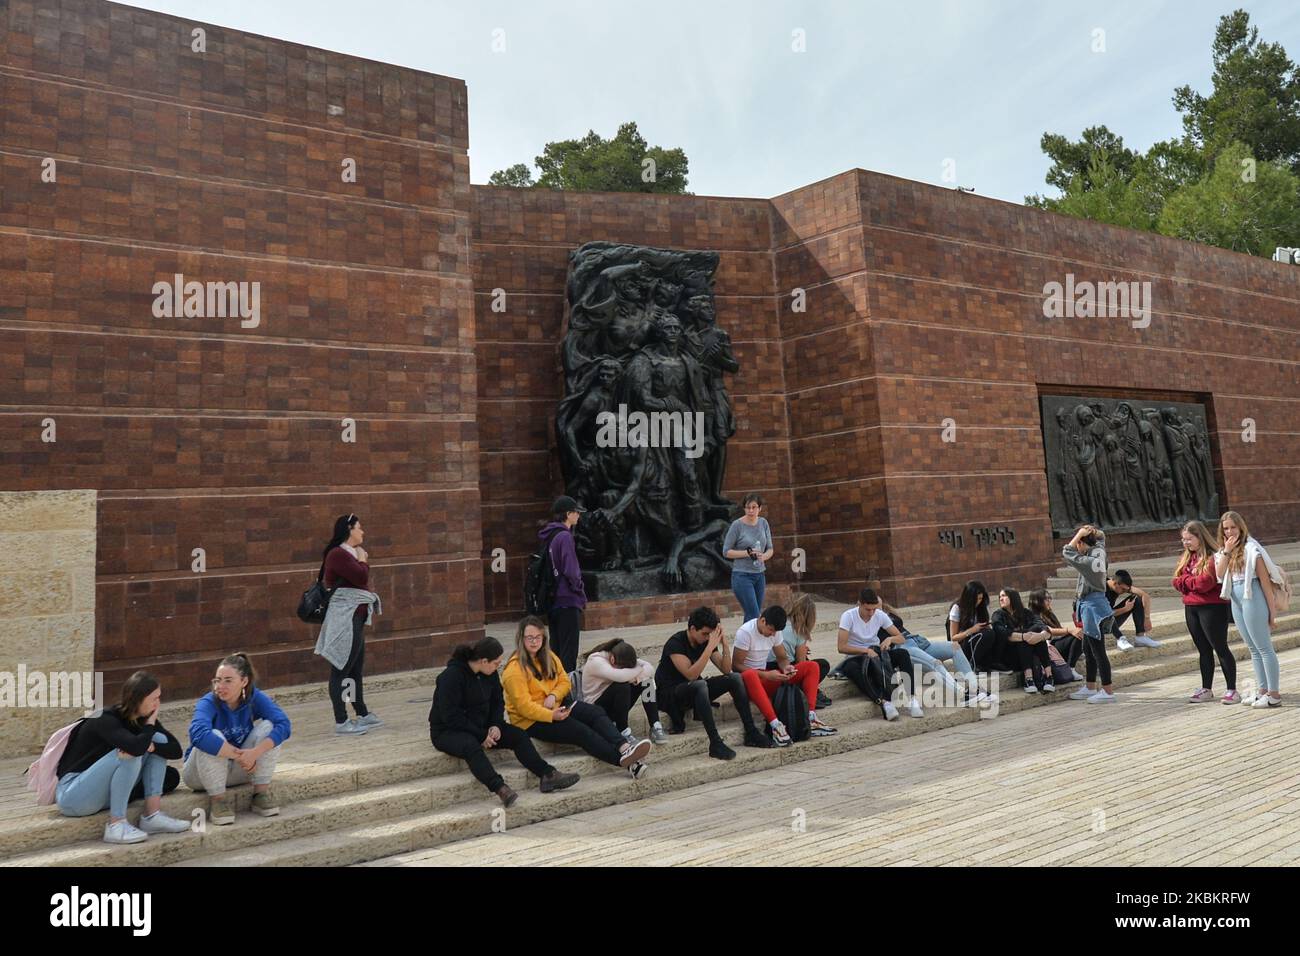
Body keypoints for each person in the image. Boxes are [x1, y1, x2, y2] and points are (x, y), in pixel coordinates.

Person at [430, 636, 579, 806]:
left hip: (483, 726)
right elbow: (451, 716)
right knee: (470, 746)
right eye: (496, 663)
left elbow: (497, 702)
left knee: (518, 735)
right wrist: (480, 735)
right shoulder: (451, 677)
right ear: (484, 661)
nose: (498, 667)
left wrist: (495, 724)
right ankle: (500, 788)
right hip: (448, 731)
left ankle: (548, 774)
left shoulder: (490, 674)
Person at [502, 616, 653, 777]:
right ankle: (628, 764)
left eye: (538, 637)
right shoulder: (514, 670)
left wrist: (554, 694)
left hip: (558, 705)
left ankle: (625, 747)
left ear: (543, 638)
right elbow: (524, 707)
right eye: (529, 638)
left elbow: (564, 681)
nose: (534, 641)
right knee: (581, 731)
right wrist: (551, 714)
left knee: (595, 713)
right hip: (531, 721)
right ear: (521, 639)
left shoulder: (549, 657)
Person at [54, 671, 190, 844]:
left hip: (100, 796)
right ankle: (116, 825)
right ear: (137, 698)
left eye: (159, 698)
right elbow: (134, 748)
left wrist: (152, 743)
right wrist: (149, 727)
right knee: (130, 753)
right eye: (153, 699)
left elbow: (176, 750)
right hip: (73, 796)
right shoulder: (105, 718)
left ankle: (152, 816)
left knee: (158, 741)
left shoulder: (142, 719)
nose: (158, 704)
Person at [183, 653, 292, 825]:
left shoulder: (254, 697)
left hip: (241, 770)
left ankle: (260, 794)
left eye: (228, 680)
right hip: (200, 775)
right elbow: (197, 734)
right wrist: (241, 756)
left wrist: (255, 752)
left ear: (244, 681)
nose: (220, 686)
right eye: (217, 680)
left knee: (269, 727)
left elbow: (284, 724)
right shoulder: (208, 702)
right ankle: (218, 801)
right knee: (213, 735)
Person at [655, 606, 773, 759]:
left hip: (695, 689)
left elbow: (726, 669)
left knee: (735, 678)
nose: (706, 638)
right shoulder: (675, 643)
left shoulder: (705, 641)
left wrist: (724, 645)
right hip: (671, 693)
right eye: (704, 634)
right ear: (692, 629)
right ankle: (715, 742)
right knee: (700, 684)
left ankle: (751, 732)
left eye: (709, 635)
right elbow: (691, 675)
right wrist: (710, 646)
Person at [315, 513, 382, 735]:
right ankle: (342, 721)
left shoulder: (348, 554)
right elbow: (361, 577)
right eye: (359, 528)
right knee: (341, 670)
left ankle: (361, 713)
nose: (362, 532)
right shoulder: (338, 554)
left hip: (356, 618)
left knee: (354, 670)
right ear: (349, 530)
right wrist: (363, 559)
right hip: (345, 620)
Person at [734, 605, 836, 742]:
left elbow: (782, 658)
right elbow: (736, 665)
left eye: (775, 632)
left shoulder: (775, 633)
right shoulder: (745, 632)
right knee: (750, 675)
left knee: (812, 666)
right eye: (771, 630)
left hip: (765, 677)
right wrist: (766, 675)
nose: (772, 634)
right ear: (763, 621)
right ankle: (775, 725)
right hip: (748, 681)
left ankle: (811, 717)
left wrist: (787, 668)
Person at [1214, 511, 1283, 708]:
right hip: (1235, 598)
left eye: (1233, 527)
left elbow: (1265, 582)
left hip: (1252, 594)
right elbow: (1219, 574)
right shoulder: (1223, 551)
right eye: (1226, 528)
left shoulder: (1252, 549)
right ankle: (1262, 691)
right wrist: (1227, 551)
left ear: (1241, 527)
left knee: (1264, 647)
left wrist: (1272, 612)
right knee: (1252, 648)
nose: (1229, 532)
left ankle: (1274, 693)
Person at [1174, 521, 1237, 703]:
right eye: (1183, 540)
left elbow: (1205, 583)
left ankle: (1232, 689)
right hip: (1191, 607)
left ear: (1200, 537)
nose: (1186, 543)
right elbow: (1175, 581)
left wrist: (1187, 582)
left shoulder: (1213, 556)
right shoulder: (1186, 558)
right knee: (1203, 649)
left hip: (1212, 607)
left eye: (1189, 539)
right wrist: (1188, 582)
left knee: (1220, 647)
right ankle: (1206, 688)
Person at [881, 599, 984, 709]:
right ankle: (963, 695)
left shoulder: (886, 613)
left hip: (917, 641)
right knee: (935, 663)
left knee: (955, 646)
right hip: (903, 647)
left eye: (879, 604)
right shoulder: (870, 620)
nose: (877, 609)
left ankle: (974, 687)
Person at [836, 589, 916, 721]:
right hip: (857, 656)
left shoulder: (879, 614)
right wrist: (865, 651)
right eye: (868, 609)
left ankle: (912, 699)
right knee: (851, 668)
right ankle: (884, 702)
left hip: (877, 653)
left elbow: (900, 638)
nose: (871, 613)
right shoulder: (848, 616)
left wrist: (890, 639)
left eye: (874, 609)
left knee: (903, 653)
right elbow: (841, 647)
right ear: (859, 604)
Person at [1063, 525, 1117, 703]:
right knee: (1088, 647)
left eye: (1078, 541)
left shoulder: (1087, 562)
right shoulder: (1099, 551)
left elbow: (1067, 551)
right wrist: (1091, 532)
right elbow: (1101, 537)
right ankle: (1090, 686)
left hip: (1092, 608)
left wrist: (1079, 534)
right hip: (1095, 605)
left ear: (1081, 543)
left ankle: (1108, 691)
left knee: (1098, 650)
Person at [579, 639, 669, 745]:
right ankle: (623, 732)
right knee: (622, 685)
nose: (627, 672)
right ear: (612, 659)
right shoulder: (595, 661)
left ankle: (655, 725)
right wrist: (638, 672)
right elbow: (620, 676)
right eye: (624, 669)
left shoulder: (621, 655)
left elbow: (650, 669)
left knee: (647, 681)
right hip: (596, 709)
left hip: (616, 704)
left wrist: (637, 676)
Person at [540, 496, 588, 673]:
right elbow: (571, 571)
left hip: (553, 600)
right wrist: (580, 592)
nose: (579, 516)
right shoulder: (565, 537)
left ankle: (554, 686)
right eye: (577, 512)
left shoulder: (550, 536)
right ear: (568, 514)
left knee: (557, 649)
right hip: (567, 599)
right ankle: (567, 691)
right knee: (569, 652)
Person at [768, 592, 833, 709]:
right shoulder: (799, 629)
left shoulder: (779, 622)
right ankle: (809, 693)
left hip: (769, 669)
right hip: (784, 670)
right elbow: (800, 662)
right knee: (821, 665)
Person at [945, 580, 1003, 702]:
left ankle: (981, 672)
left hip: (975, 642)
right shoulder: (957, 608)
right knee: (984, 635)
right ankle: (971, 677)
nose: (979, 602)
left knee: (993, 632)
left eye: (981, 599)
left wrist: (984, 626)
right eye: (976, 599)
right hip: (961, 646)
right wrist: (972, 630)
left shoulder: (980, 608)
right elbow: (953, 638)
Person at [991, 588, 1055, 694]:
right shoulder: (998, 615)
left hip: (1029, 654)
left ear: (1013, 598)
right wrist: (1024, 636)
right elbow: (1001, 632)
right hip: (1009, 657)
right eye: (1000, 597)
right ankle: (1028, 679)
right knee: (1023, 638)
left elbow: (1043, 627)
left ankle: (1049, 676)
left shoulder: (1026, 613)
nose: (1001, 599)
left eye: (1004, 596)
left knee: (1037, 635)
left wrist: (1040, 636)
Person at [723, 493, 773, 622]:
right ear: (744, 508)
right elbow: (726, 551)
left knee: (752, 615)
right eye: (747, 507)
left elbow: (770, 549)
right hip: (742, 575)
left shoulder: (763, 523)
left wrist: (764, 557)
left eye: (754, 507)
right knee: (754, 614)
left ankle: (745, 641)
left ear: (760, 508)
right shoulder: (737, 525)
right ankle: (747, 641)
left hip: (760, 574)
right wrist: (747, 553)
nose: (751, 510)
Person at [1027, 589, 1086, 683]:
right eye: (1046, 599)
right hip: (1047, 649)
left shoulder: (1048, 613)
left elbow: (1059, 628)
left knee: (1079, 633)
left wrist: (1072, 631)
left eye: (1050, 598)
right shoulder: (1032, 615)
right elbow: (1047, 630)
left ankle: (1073, 661)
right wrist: (1069, 630)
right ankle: (1070, 668)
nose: (1049, 600)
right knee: (1076, 636)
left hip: (1055, 645)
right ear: (1037, 601)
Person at [1106, 569, 1160, 650]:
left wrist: (1147, 618)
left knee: (1137, 598)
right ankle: (1120, 638)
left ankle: (1140, 637)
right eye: (1123, 590)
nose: (1124, 592)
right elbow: (1103, 614)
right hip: (1101, 623)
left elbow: (1145, 596)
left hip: (1112, 620)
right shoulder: (1100, 589)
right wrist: (1125, 609)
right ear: (1115, 583)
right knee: (1107, 613)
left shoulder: (1119, 585)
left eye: (1126, 590)